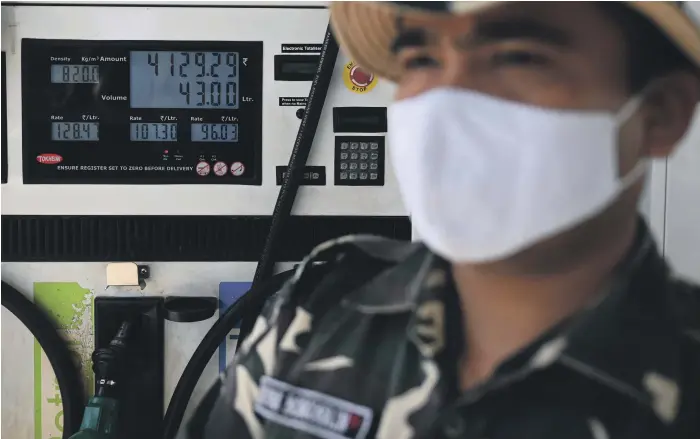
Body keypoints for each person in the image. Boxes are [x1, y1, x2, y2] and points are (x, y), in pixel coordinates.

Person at [190, 2, 700, 438]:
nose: (450, 98)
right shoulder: (320, 301)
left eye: (517, 56)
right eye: (422, 57)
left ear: (659, 113)